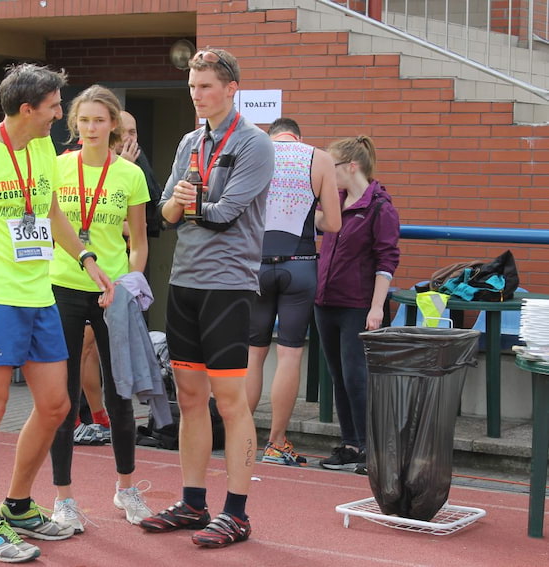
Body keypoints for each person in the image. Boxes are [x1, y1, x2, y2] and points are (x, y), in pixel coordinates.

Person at [0, 64, 113, 564]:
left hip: (39, 294)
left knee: (57, 405)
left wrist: (86, 257)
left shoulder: (42, 148)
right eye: (55, 106)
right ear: (28, 109)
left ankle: (17, 505)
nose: (62, 113)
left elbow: (51, 213)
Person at [139, 48, 274, 548]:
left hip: (230, 285)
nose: (197, 96)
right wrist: (187, 203)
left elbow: (222, 214)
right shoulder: (190, 140)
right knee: (189, 397)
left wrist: (189, 202)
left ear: (231, 88)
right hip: (186, 281)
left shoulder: (256, 144)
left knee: (230, 401)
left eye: (206, 87)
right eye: (193, 87)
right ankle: (193, 503)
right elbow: (166, 214)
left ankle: (236, 513)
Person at [47, 84, 153, 532]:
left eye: (99, 120)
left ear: (114, 125)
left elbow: (140, 242)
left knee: (120, 392)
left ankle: (126, 487)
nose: (91, 128)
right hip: (63, 287)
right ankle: (63, 499)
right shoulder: (55, 168)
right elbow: (48, 226)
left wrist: (127, 285)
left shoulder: (130, 175)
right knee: (63, 399)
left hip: (112, 293)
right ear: (74, 124)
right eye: (84, 120)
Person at [245, 118, 341, 466]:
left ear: (272, 135)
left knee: (253, 354)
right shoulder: (318, 158)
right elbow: (333, 223)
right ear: (298, 136)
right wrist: (308, 216)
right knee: (289, 355)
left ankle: (241, 438)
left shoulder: (255, 152)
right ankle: (276, 443)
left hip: (255, 263)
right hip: (299, 262)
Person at [314, 135, 400, 472]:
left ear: (352, 167)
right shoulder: (334, 201)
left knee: (356, 377)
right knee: (337, 375)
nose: (327, 174)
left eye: (331, 167)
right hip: (326, 301)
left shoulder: (380, 207)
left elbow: (386, 261)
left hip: (357, 304)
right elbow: (319, 222)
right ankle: (350, 442)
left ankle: (371, 448)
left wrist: (376, 307)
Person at [116, 111, 164, 237]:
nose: (127, 138)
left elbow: (153, 195)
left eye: (132, 132)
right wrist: (121, 168)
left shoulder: (138, 155)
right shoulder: (94, 157)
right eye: (120, 132)